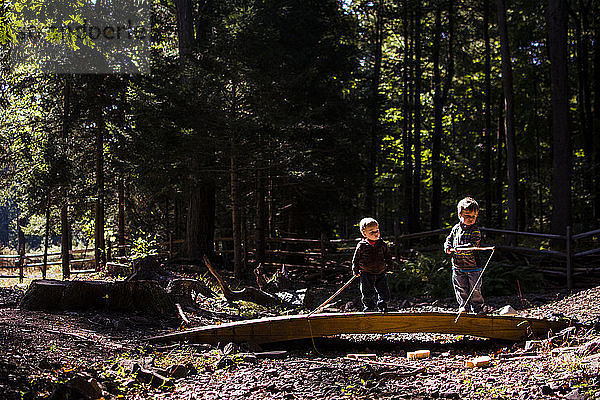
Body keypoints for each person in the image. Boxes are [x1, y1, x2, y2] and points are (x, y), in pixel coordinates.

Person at [444, 197, 486, 314]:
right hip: (458, 265)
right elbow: (449, 239)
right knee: (460, 287)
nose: (471, 219)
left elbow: (473, 244)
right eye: (467, 216)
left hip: (473, 266)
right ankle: (464, 307)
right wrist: (447, 246)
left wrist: (460, 248)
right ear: (460, 214)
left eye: (474, 216)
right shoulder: (456, 229)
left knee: (475, 289)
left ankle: (478, 308)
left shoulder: (475, 230)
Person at [352, 217, 392, 312]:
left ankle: (383, 305)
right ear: (364, 233)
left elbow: (388, 257)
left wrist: (390, 267)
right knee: (366, 291)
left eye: (377, 231)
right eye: (371, 232)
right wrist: (355, 270)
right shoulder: (362, 245)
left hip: (381, 272)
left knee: (383, 290)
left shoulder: (382, 244)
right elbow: (356, 259)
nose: (376, 234)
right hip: (366, 272)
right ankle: (369, 306)